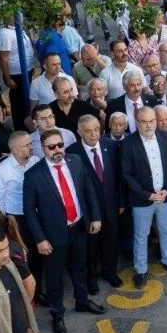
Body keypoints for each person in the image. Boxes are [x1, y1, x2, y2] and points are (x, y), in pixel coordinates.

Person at [22, 128, 105, 333]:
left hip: (78, 226)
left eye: (60, 145)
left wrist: (95, 217)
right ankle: (57, 315)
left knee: (80, 267)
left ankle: (82, 301)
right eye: (51, 147)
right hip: (53, 236)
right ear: (43, 149)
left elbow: (88, 191)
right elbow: (29, 211)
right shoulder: (33, 175)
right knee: (55, 277)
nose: (57, 150)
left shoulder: (76, 162)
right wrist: (40, 239)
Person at [120, 106, 167, 287]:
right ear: (137, 122)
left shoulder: (166, 137)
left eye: (151, 121)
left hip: (165, 197)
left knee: (166, 230)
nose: (148, 125)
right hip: (142, 200)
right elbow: (126, 174)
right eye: (144, 122)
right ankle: (141, 270)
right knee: (141, 235)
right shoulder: (128, 143)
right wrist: (147, 195)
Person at [67, 115, 123, 289]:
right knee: (91, 246)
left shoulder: (111, 147)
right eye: (88, 131)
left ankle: (110, 272)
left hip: (112, 206)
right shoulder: (72, 152)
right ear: (79, 132)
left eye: (96, 129)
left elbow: (119, 177)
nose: (93, 134)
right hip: (89, 210)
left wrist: (121, 203)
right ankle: (91, 278)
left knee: (111, 241)